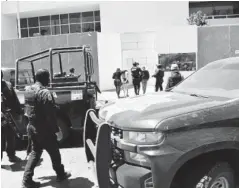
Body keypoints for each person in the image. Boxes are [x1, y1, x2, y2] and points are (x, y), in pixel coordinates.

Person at [22, 69, 71, 188]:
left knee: (35, 152)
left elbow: (28, 109)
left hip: (32, 126)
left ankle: (26, 179)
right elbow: (50, 115)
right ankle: (60, 174)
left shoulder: (29, 90)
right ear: (44, 78)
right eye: (48, 77)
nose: (49, 80)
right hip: (43, 128)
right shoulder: (44, 92)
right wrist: (57, 131)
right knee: (54, 151)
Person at [1, 71, 22, 162]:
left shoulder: (8, 85)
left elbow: (14, 99)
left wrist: (19, 111)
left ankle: (11, 155)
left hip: (8, 114)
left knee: (11, 135)